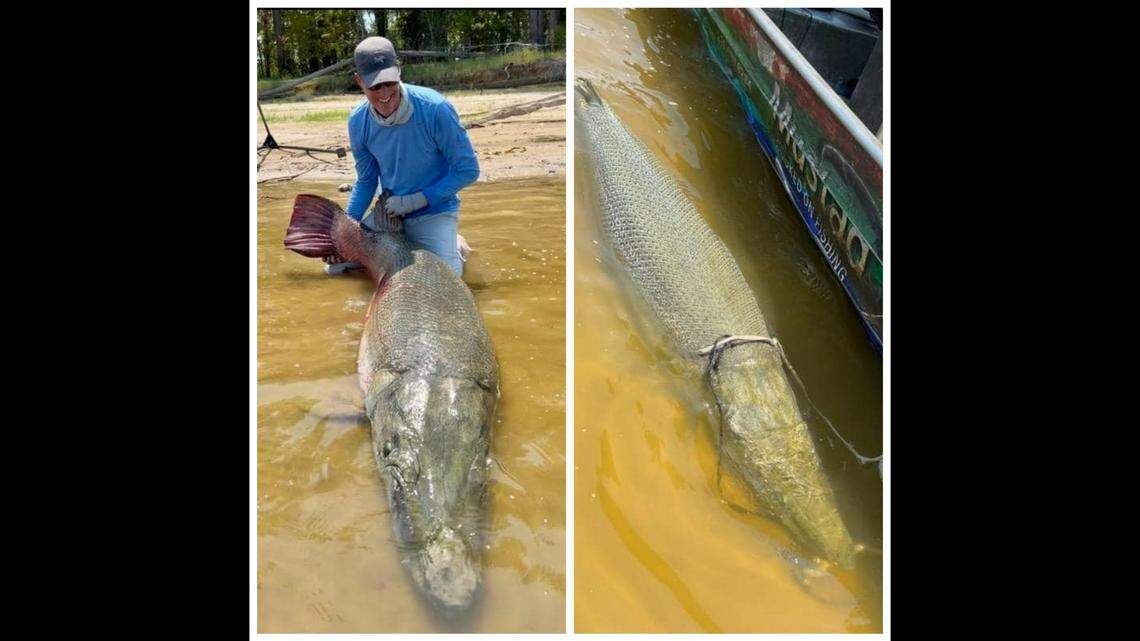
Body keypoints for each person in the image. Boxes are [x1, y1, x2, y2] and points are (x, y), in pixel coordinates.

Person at [326, 36, 479, 276]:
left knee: (446, 278)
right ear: (359, 81)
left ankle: (454, 244)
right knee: (335, 268)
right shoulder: (358, 121)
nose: (385, 92)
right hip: (389, 213)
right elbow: (366, 181)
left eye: (390, 82)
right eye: (374, 86)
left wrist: (418, 200)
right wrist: (346, 231)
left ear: (399, 70)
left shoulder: (435, 108)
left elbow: (468, 170)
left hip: (434, 211)